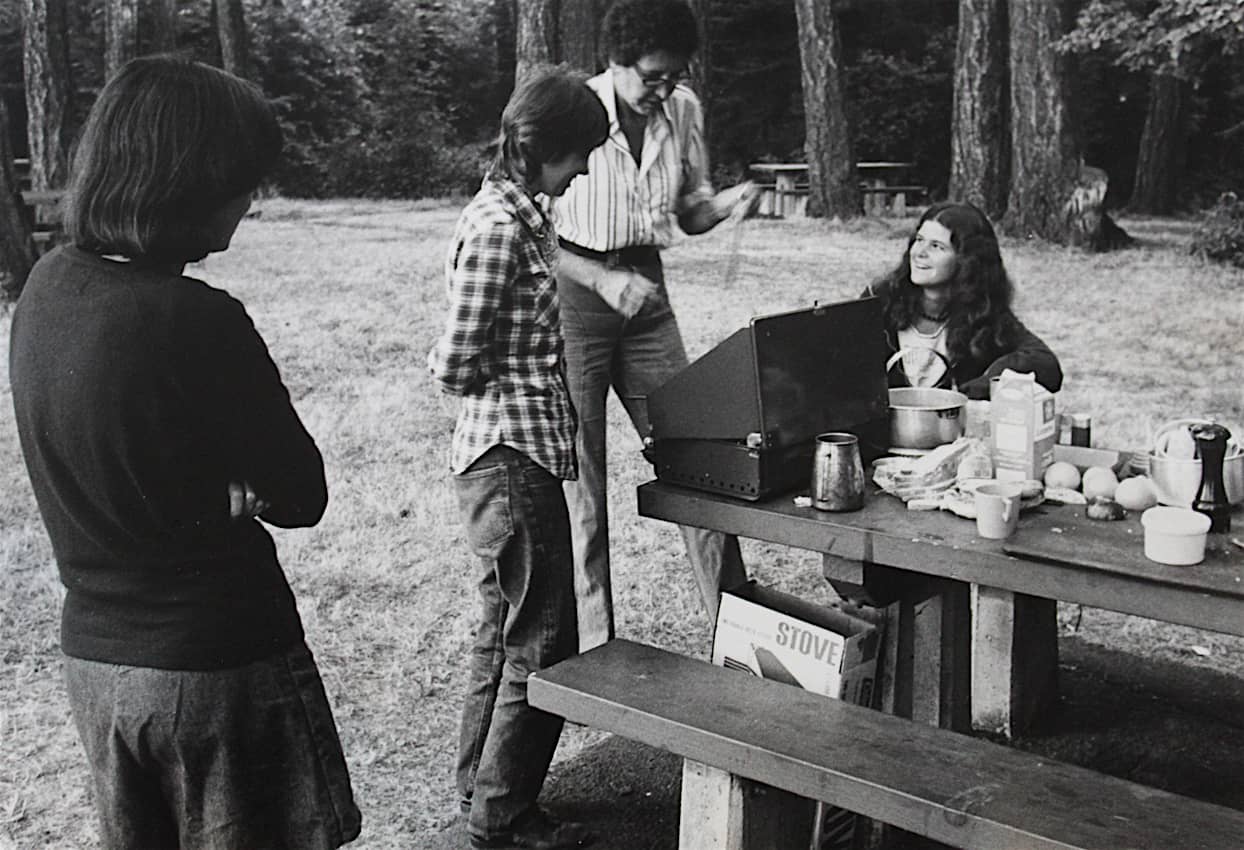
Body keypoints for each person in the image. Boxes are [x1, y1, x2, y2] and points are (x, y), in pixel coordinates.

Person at [8, 56, 360, 849]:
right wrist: (235, 485)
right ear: (192, 180)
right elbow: (301, 494)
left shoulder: (45, 287)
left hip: (97, 669)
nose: (249, 203)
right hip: (214, 671)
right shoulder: (196, 319)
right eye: (243, 181)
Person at [428, 67, 609, 850]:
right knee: (543, 638)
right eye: (581, 156)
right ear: (541, 149)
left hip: (520, 453)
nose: (586, 171)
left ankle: (481, 789)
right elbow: (453, 361)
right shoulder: (500, 224)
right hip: (508, 457)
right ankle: (503, 815)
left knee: (503, 626)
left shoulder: (525, 211)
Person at [552, 0, 757, 651]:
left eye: (675, 76)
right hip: (577, 299)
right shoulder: (572, 110)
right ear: (616, 61)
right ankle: (590, 651)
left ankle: (739, 634)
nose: (664, 89)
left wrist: (726, 203)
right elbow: (529, 229)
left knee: (700, 458)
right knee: (581, 486)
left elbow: (689, 211)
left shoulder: (684, 109)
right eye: (653, 76)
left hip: (648, 301)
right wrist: (602, 278)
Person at [863, 201, 1063, 400]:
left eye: (936, 246)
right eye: (919, 240)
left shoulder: (982, 310)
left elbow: (1046, 365)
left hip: (955, 428)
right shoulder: (879, 301)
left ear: (966, 260)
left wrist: (989, 382)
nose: (919, 253)